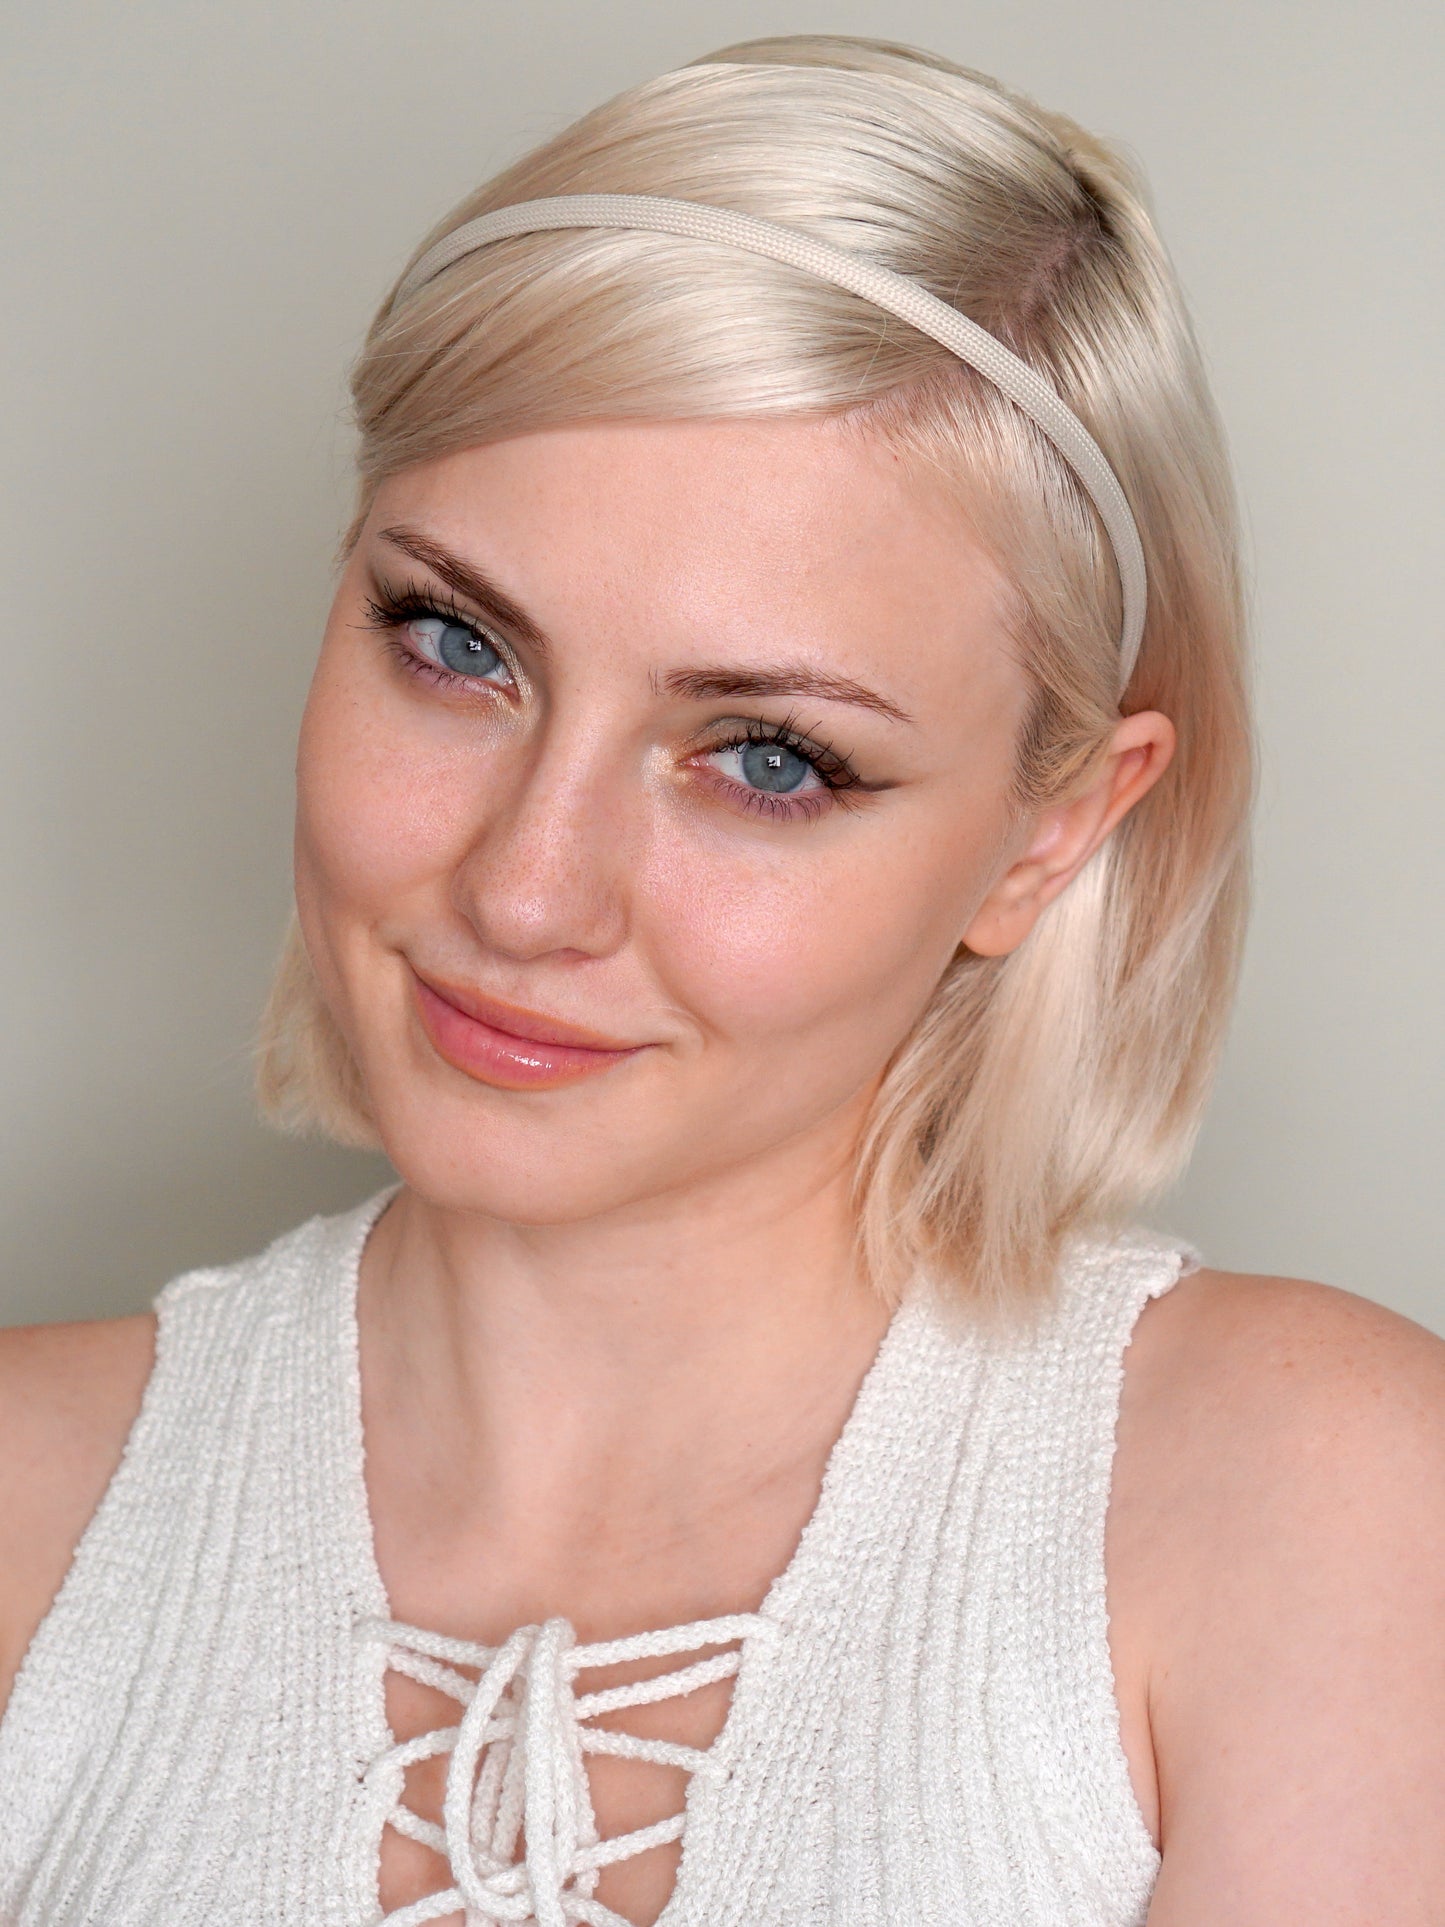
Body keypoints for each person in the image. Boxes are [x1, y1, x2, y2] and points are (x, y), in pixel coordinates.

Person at [0, 33, 1440, 1927]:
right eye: (451, 644)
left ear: (1048, 834)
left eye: (768, 756)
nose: (525, 890)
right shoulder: (27, 1508)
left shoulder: (1318, 1506)